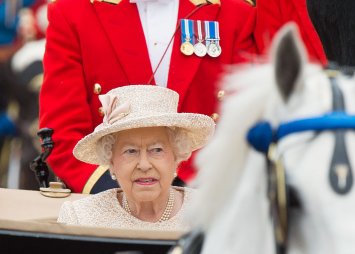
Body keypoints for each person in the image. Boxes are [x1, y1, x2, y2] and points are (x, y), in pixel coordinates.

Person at [40, 0, 255, 194]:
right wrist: (115, 194)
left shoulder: (236, 13)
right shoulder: (72, 12)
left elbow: (245, 123)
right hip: (107, 196)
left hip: (203, 196)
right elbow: (61, 131)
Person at [57, 85, 214, 230]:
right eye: (131, 151)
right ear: (111, 161)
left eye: (157, 150)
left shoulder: (211, 212)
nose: (144, 165)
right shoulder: (80, 218)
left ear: (176, 156)